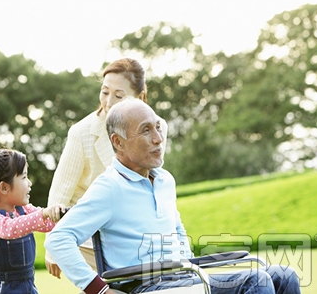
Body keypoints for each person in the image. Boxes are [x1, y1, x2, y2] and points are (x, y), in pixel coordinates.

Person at [45, 98, 301, 294]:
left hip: (182, 277)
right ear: (118, 142)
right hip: (146, 286)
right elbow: (58, 239)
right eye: (146, 131)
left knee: (285, 275)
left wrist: (188, 264)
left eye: (158, 128)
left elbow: (176, 228)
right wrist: (98, 289)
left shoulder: (165, 179)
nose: (158, 139)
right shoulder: (109, 187)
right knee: (256, 280)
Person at [45, 58, 168, 278]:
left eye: (119, 96)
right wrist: (53, 250)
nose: (109, 102)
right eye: (104, 92)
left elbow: (151, 182)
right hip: (88, 231)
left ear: (139, 97)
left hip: (131, 229)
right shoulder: (81, 132)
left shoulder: (158, 126)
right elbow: (59, 194)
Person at [0, 148, 67, 294]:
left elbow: (49, 224)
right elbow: (9, 228)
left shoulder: (24, 210)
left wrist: (61, 214)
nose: (29, 183)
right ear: (4, 187)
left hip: (28, 289)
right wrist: (43, 213)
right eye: (24, 177)